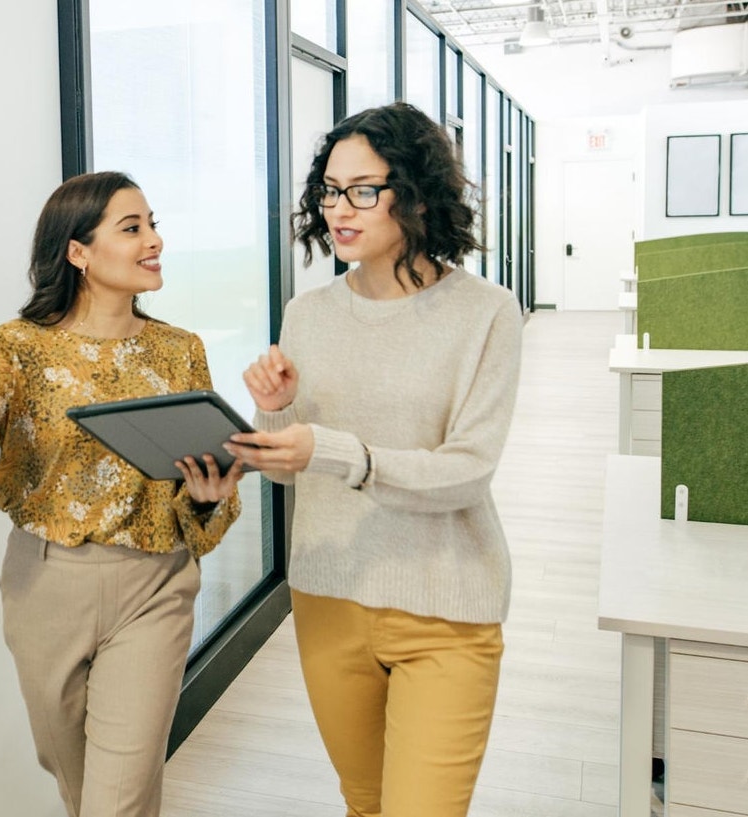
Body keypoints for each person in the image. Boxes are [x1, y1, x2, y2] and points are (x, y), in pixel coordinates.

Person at [0, 171, 243, 817]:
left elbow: (207, 499)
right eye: (132, 227)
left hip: (155, 585)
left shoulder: (178, 350)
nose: (154, 240)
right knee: (76, 782)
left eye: (152, 224)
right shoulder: (17, 346)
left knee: (120, 797)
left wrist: (205, 494)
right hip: (44, 586)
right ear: (77, 252)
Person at [223, 102, 522, 817]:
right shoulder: (308, 313)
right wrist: (274, 409)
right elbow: (294, 460)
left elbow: (467, 470)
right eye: (329, 190)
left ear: (415, 193)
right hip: (328, 594)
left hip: (444, 605)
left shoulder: (485, 311)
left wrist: (337, 451)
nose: (338, 209)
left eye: (363, 189)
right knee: (364, 803)